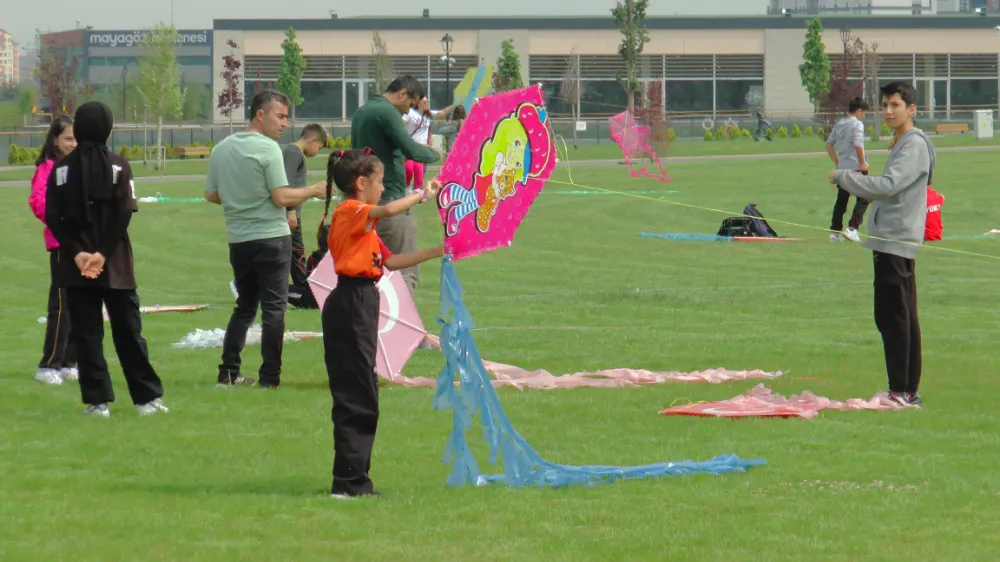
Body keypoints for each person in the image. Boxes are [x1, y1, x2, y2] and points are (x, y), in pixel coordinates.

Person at [320, 148, 445, 498]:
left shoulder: (363, 224)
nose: (383, 189)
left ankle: (353, 477)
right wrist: (421, 195)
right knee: (357, 393)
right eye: (379, 182)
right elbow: (389, 209)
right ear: (361, 184)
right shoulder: (351, 212)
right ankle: (349, 483)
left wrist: (438, 250)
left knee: (364, 391)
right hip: (351, 301)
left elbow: (392, 262)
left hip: (361, 300)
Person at [44, 101, 167, 417]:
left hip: (76, 266)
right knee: (129, 333)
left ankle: (97, 403)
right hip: (115, 266)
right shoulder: (118, 166)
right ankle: (147, 400)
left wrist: (78, 253)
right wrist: (102, 253)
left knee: (87, 336)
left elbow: (53, 217)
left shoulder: (60, 170)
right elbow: (124, 212)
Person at [205, 90, 327, 388]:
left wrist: (240, 202)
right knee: (274, 309)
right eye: (280, 116)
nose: (285, 123)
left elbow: (211, 194)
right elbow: (281, 196)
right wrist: (313, 190)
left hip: (239, 239)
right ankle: (269, 378)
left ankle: (228, 373)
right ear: (260, 114)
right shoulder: (269, 148)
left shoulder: (221, 148)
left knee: (245, 307)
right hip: (271, 237)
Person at [828, 81, 936, 408]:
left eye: (896, 105)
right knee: (895, 315)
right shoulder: (903, 141)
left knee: (894, 316)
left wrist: (843, 177)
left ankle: (902, 391)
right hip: (890, 240)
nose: (888, 111)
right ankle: (905, 389)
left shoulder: (913, 143)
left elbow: (889, 186)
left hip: (895, 241)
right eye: (885, 105)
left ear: (911, 109)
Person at [351, 75, 442, 293]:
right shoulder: (387, 112)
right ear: (402, 94)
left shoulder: (362, 111)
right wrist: (435, 153)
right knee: (404, 274)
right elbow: (410, 148)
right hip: (390, 197)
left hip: (366, 202)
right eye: (410, 105)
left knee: (373, 272)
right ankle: (401, 327)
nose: (407, 112)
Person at [29, 116, 78, 385]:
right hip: (62, 245)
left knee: (80, 306)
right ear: (55, 140)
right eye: (68, 138)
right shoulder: (47, 168)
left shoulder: (79, 165)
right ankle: (49, 364)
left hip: (84, 246)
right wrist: (62, 220)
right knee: (60, 305)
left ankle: (70, 360)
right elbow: (38, 201)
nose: (73, 143)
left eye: (76, 138)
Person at [282, 123, 329, 294]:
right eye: (319, 147)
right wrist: (291, 210)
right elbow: (286, 183)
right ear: (313, 139)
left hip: (293, 212)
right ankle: (304, 290)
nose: (317, 151)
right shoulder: (294, 153)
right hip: (291, 214)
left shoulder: (294, 153)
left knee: (290, 253)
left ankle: (302, 288)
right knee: (296, 252)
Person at [826, 97, 871, 243]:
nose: (864, 116)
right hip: (856, 168)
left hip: (842, 168)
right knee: (864, 198)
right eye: (864, 113)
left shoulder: (840, 124)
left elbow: (829, 144)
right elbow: (858, 144)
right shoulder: (857, 124)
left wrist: (838, 162)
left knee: (842, 200)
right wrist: (863, 163)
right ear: (859, 111)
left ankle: (834, 232)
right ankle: (852, 228)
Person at [402, 96, 453, 192]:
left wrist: (454, 104)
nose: (427, 103)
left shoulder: (428, 114)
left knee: (419, 176)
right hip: (410, 148)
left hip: (422, 149)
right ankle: (406, 191)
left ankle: (415, 195)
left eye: (427, 102)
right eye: (424, 102)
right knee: (408, 170)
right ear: (418, 103)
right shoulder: (410, 113)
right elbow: (400, 124)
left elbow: (442, 113)